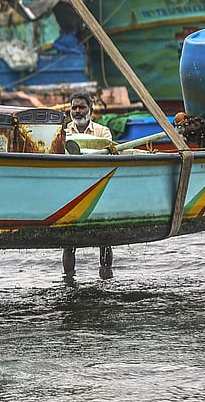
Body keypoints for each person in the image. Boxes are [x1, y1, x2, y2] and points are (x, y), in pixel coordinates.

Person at [61, 91, 115, 276]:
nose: (77, 111)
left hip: (99, 187)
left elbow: (109, 157)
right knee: (69, 241)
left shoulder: (103, 131)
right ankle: (69, 280)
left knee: (105, 238)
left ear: (90, 110)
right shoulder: (63, 132)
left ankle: (106, 276)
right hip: (71, 189)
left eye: (81, 107)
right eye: (74, 107)